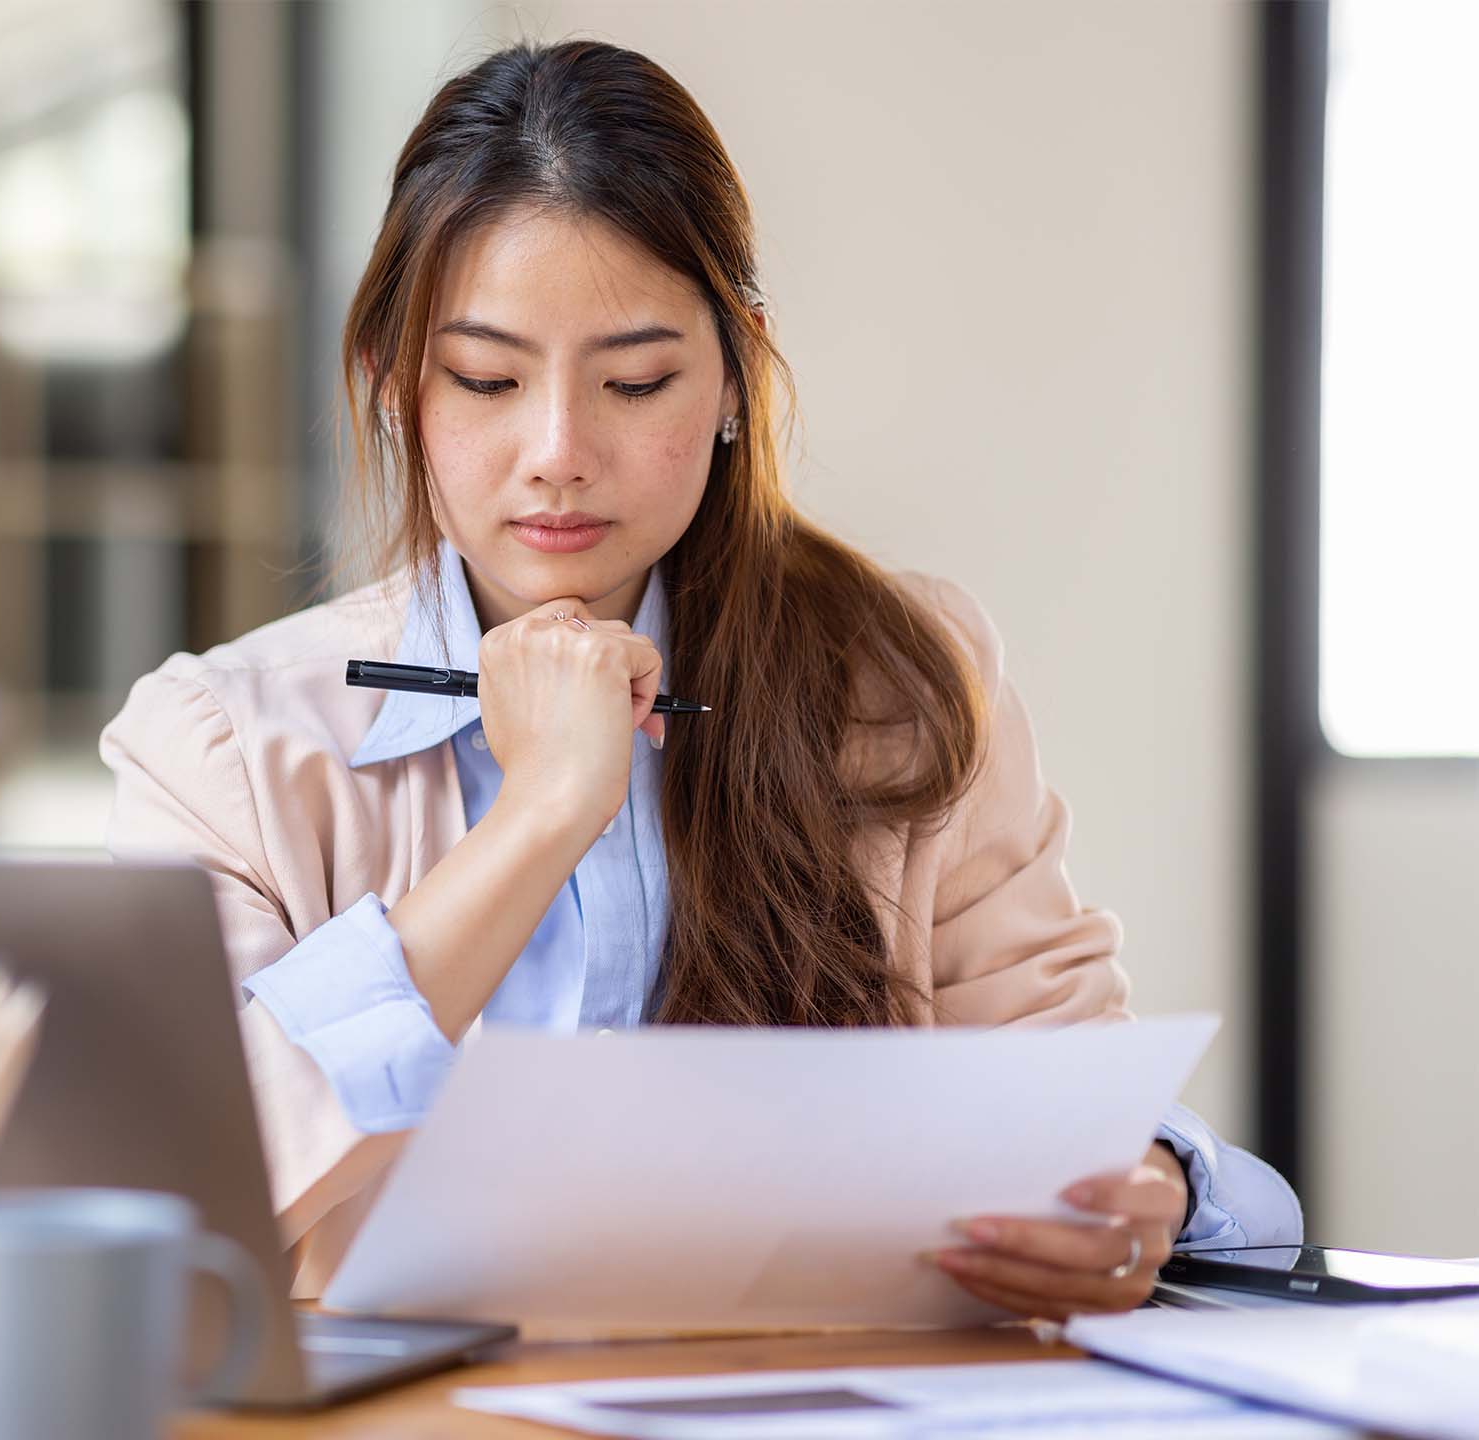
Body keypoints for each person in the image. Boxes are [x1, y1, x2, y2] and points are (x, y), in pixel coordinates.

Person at [100, 39, 1299, 1321]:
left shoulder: (905, 682)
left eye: (635, 382)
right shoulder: (218, 744)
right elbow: (187, 1184)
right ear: (397, 387)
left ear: (733, 374)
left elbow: (1068, 1088)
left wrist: (1144, 1187)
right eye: (488, 380)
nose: (557, 453)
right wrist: (541, 813)